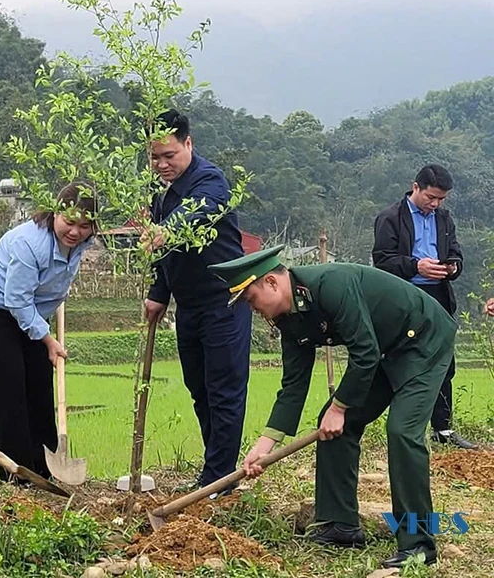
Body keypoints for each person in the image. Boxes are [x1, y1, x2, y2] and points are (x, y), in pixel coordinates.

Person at [209, 246, 457, 569]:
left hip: (423, 339)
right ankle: (341, 524)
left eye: (251, 299)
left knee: (402, 431)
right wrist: (264, 446)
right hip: (385, 349)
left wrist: (339, 407)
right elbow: (293, 385)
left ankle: (419, 543)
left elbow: (364, 352)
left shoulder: (330, 285)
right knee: (334, 425)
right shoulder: (289, 319)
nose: (252, 309)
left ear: (271, 282)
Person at [142, 110, 251, 495]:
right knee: (199, 388)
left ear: (188, 144)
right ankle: (215, 470)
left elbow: (195, 214)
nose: (162, 165)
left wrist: (165, 230)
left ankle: (219, 478)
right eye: (154, 157)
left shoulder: (210, 180)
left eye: (169, 155)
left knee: (224, 388)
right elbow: (165, 255)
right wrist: (159, 294)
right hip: (188, 306)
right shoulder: (160, 190)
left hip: (224, 301)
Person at [0, 182, 97, 482]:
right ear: (55, 214)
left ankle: (44, 468)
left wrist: (45, 325)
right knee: (9, 386)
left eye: (84, 225)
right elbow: (16, 299)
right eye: (69, 222)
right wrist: (48, 340)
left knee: (39, 383)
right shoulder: (29, 243)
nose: (75, 232)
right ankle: (17, 476)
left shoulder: (82, 242)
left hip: (34, 309)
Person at [372, 164, 474, 449]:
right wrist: (416, 266)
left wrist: (451, 267)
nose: (435, 204)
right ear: (415, 187)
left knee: (443, 362)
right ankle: (403, 427)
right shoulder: (390, 218)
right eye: (431, 197)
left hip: (438, 295)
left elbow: (456, 253)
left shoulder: (444, 219)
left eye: (441, 199)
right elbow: (382, 261)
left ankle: (443, 429)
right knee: (403, 360)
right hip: (404, 296)